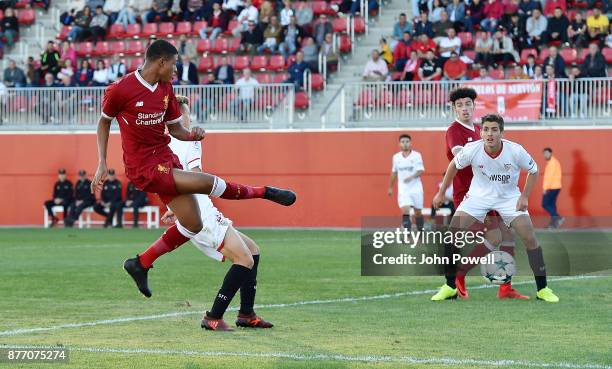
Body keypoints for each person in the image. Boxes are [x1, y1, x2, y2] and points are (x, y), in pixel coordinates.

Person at [93, 40, 295, 299]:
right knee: (208, 183)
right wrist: (101, 161)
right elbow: (104, 122)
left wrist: (192, 135)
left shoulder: (166, 88)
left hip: (166, 159)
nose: (177, 70)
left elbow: (176, 129)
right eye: (174, 64)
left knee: (193, 224)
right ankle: (265, 192)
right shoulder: (121, 90)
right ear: (161, 62)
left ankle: (140, 263)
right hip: (144, 168)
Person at [158, 98, 273, 331]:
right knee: (245, 259)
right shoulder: (191, 141)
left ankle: (246, 314)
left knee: (252, 250)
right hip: (202, 213)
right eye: (186, 116)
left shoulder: (163, 145)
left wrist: (174, 207)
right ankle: (213, 316)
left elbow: (171, 180)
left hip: (193, 209)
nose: (189, 120)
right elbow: (196, 176)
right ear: (176, 119)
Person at [433, 113, 559, 303]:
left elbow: (533, 170)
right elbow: (453, 165)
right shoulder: (472, 149)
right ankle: (450, 287)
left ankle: (543, 289)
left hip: (509, 198)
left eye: (494, 129)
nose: (489, 134)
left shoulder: (515, 151)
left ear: (502, 132)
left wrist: (524, 196)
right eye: (485, 129)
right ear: (481, 132)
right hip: (478, 197)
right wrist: (441, 193)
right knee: (451, 235)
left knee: (530, 238)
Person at [431, 88, 526, 301]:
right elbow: (461, 157)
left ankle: (504, 287)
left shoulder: (479, 129)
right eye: (460, 105)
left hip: (492, 193)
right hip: (469, 195)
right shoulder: (454, 131)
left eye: (468, 104)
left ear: (474, 106)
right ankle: (455, 279)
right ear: (454, 109)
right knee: (468, 236)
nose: (464, 108)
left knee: (505, 235)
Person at [387, 134, 425, 231]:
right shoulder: (396, 157)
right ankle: (407, 234)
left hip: (416, 188)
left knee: (418, 212)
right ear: (399, 144)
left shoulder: (417, 155)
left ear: (410, 143)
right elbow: (394, 172)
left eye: (407, 142)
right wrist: (390, 187)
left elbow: (421, 170)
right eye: (403, 142)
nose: (405, 144)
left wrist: (411, 177)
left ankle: (420, 233)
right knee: (405, 210)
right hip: (403, 189)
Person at [542, 147, 563, 229]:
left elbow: (549, 177)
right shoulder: (553, 162)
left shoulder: (552, 163)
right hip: (555, 186)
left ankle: (558, 217)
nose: (545, 155)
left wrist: (545, 188)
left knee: (545, 204)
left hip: (552, 187)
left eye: (547, 153)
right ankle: (554, 224)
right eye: (544, 153)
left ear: (551, 153)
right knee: (552, 205)